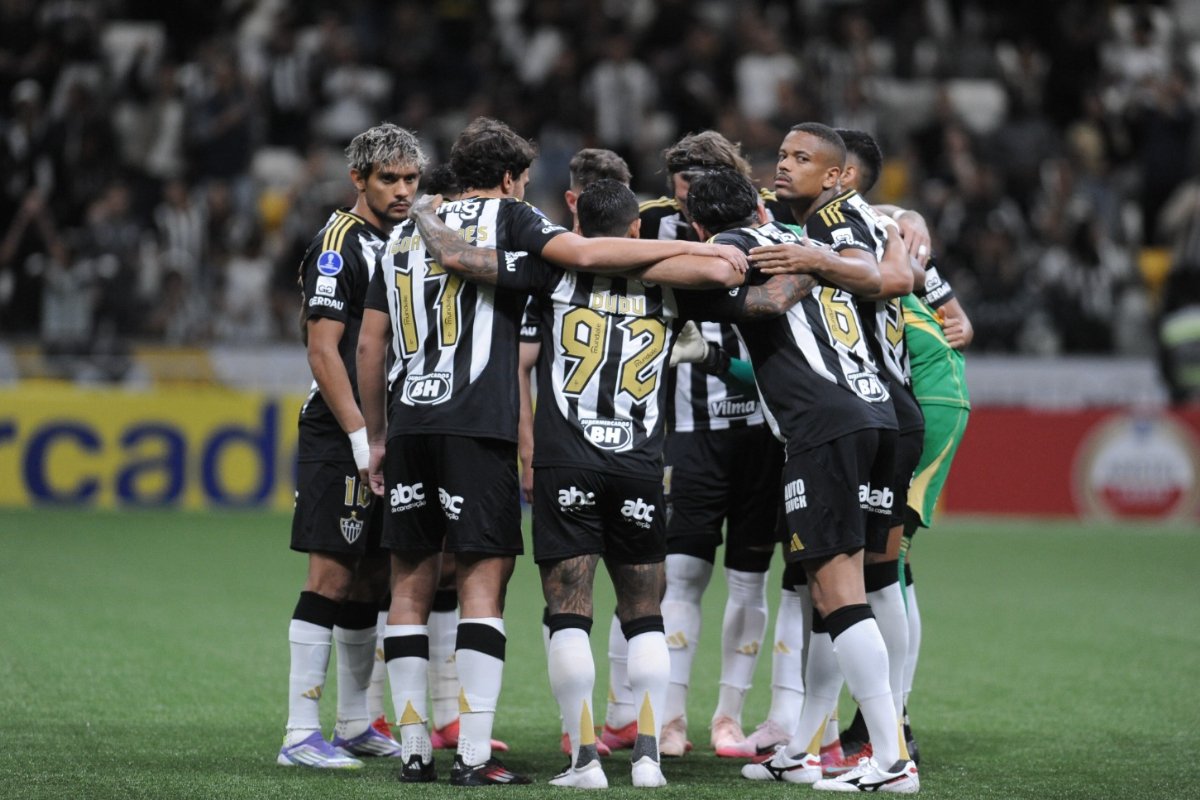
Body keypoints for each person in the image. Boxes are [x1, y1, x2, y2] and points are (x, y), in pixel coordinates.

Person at [355, 116, 750, 786]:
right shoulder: (601, 259)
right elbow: (622, 264)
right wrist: (719, 256)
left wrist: (376, 433)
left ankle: (456, 749)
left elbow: (373, 342)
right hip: (607, 454)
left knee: (419, 584)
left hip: (455, 431)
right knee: (628, 605)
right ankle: (633, 754)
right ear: (513, 180)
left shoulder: (425, 242)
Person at [720, 125, 918, 792]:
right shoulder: (826, 228)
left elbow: (890, 277)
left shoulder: (827, 225)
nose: (784, 166)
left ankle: (891, 758)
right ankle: (805, 748)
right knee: (827, 591)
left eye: (802, 159)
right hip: (872, 411)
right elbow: (896, 254)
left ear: (839, 177)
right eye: (781, 155)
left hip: (830, 423)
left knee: (842, 592)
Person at [622, 130, 792, 759]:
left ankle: (727, 716)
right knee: (684, 576)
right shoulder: (653, 224)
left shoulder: (770, 217)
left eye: (693, 184)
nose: (683, 198)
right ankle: (669, 718)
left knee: (750, 578)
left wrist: (907, 221)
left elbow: (857, 220)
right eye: (677, 184)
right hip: (691, 428)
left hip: (762, 427)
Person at [277, 123, 423, 769]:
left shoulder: (402, 240)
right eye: (388, 179)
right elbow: (322, 349)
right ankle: (298, 733)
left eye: (410, 179)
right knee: (331, 574)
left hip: (384, 435)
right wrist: (364, 439)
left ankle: (355, 723)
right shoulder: (339, 244)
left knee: (370, 578)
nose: (401, 190)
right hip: (342, 434)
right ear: (358, 180)